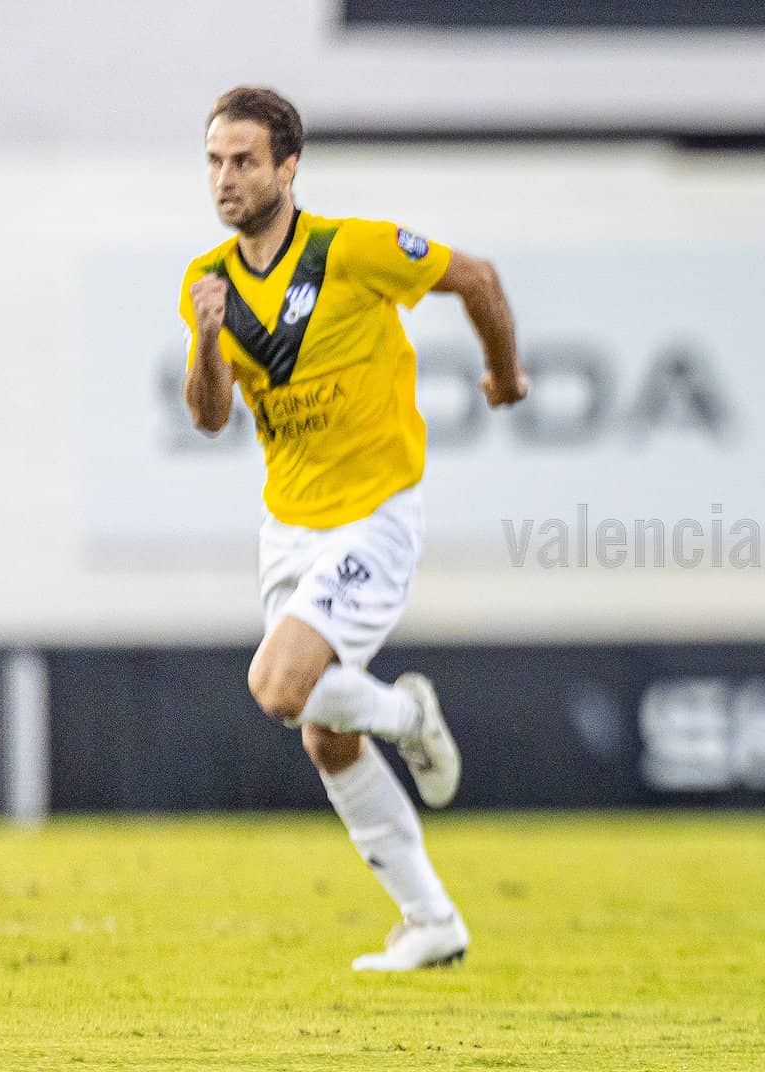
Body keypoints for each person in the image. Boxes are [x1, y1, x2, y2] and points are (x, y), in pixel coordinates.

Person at [178, 86, 528, 971]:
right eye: (214, 161)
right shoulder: (207, 281)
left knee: (277, 686)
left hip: (374, 517)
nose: (225, 178)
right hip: (287, 529)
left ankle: (410, 714)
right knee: (327, 733)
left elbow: (477, 278)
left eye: (244, 160)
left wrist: (504, 376)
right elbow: (211, 417)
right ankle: (432, 922)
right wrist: (206, 341)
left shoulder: (352, 249)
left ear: (288, 166)